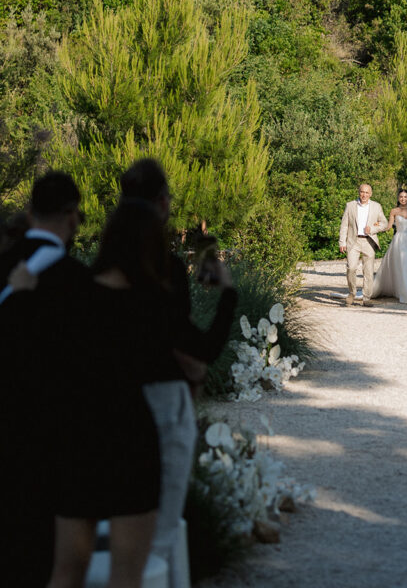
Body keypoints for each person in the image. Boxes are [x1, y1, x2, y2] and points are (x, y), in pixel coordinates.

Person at [119, 158, 238, 580]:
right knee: (162, 527)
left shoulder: (100, 271)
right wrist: (226, 291)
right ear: (163, 203)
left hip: (111, 405)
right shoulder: (164, 268)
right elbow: (200, 347)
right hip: (162, 402)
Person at [46, 197, 173, 588]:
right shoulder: (152, 303)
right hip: (131, 437)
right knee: (126, 577)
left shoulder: (73, 293)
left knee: (66, 573)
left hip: (77, 435)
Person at [0, 172, 90, 588]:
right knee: (42, 557)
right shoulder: (77, 281)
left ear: (32, 211)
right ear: (72, 216)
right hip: (53, 440)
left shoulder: (5, 264)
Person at [338, 183, 387, 306]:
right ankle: (352, 293)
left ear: (370, 194)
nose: (364, 194)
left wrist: (372, 229)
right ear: (358, 192)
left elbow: (384, 223)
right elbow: (344, 225)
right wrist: (342, 242)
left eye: (367, 192)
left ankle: (366, 297)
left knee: (368, 271)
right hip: (353, 241)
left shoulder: (376, 206)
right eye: (362, 192)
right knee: (351, 268)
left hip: (369, 241)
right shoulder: (350, 205)